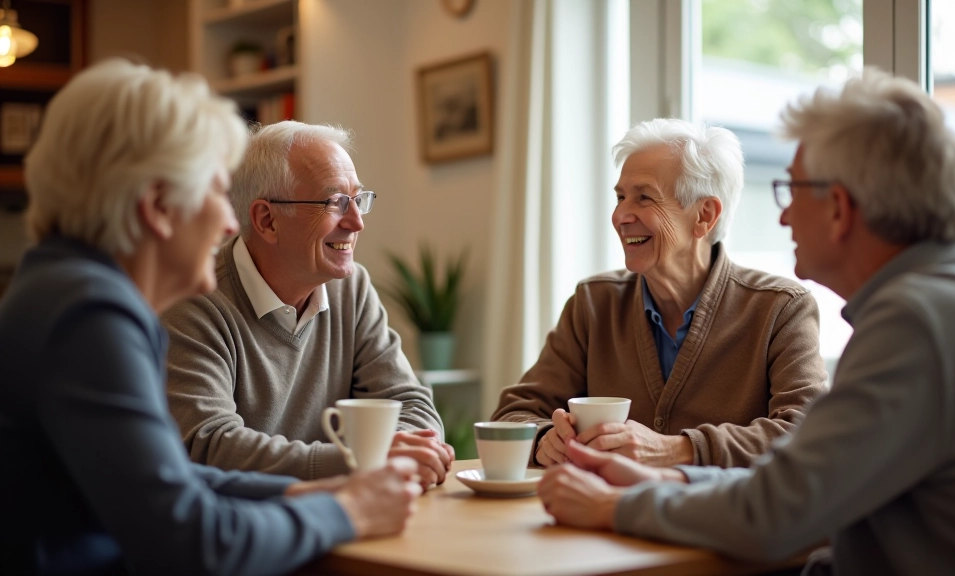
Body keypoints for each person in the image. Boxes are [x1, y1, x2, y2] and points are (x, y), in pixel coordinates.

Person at [538, 69, 955, 574]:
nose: (785, 216)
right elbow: (806, 485)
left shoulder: (919, 326)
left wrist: (610, 506)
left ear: (838, 208)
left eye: (791, 191)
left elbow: (774, 515)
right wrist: (666, 483)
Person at [0, 59, 421, 576]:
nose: (229, 220)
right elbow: (190, 540)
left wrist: (310, 489)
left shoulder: (67, 289)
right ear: (157, 206)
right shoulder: (88, 315)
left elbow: (174, 480)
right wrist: (347, 509)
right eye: (216, 193)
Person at [492, 119, 828, 469]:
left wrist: (678, 450)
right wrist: (547, 438)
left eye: (644, 197)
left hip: (719, 523)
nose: (620, 215)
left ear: (704, 215)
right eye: (621, 197)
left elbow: (809, 433)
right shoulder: (593, 304)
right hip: (599, 517)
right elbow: (512, 414)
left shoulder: (781, 309)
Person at [161, 120, 453, 489]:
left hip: (344, 517)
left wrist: (406, 451)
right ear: (267, 220)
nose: (357, 222)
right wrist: (358, 462)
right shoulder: (195, 300)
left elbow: (412, 405)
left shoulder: (352, 289)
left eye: (359, 199)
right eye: (335, 202)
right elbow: (208, 445)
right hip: (250, 533)